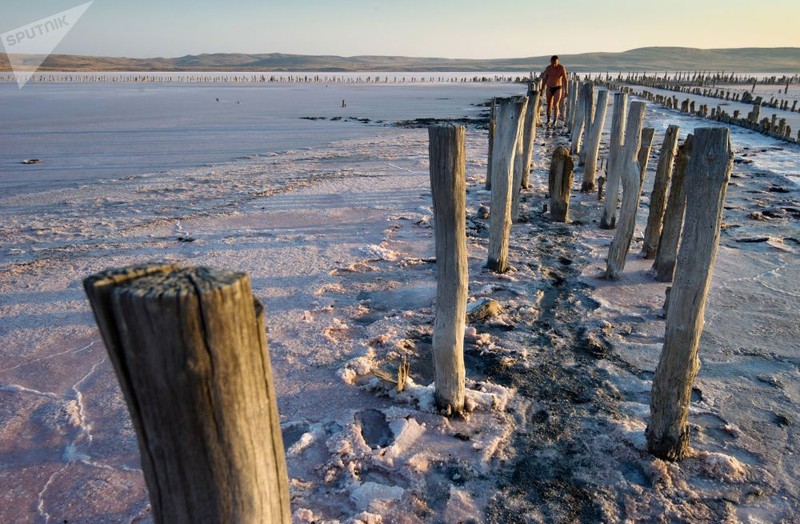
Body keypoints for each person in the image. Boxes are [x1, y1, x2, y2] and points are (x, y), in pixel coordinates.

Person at [541, 55, 568, 128]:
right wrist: (542, 89)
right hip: (549, 88)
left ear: (557, 61)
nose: (554, 64)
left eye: (555, 63)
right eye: (552, 63)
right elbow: (544, 79)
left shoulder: (561, 68)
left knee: (555, 104)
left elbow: (565, 79)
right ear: (551, 61)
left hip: (558, 88)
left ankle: (555, 121)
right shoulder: (548, 68)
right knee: (549, 104)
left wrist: (566, 90)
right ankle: (548, 120)